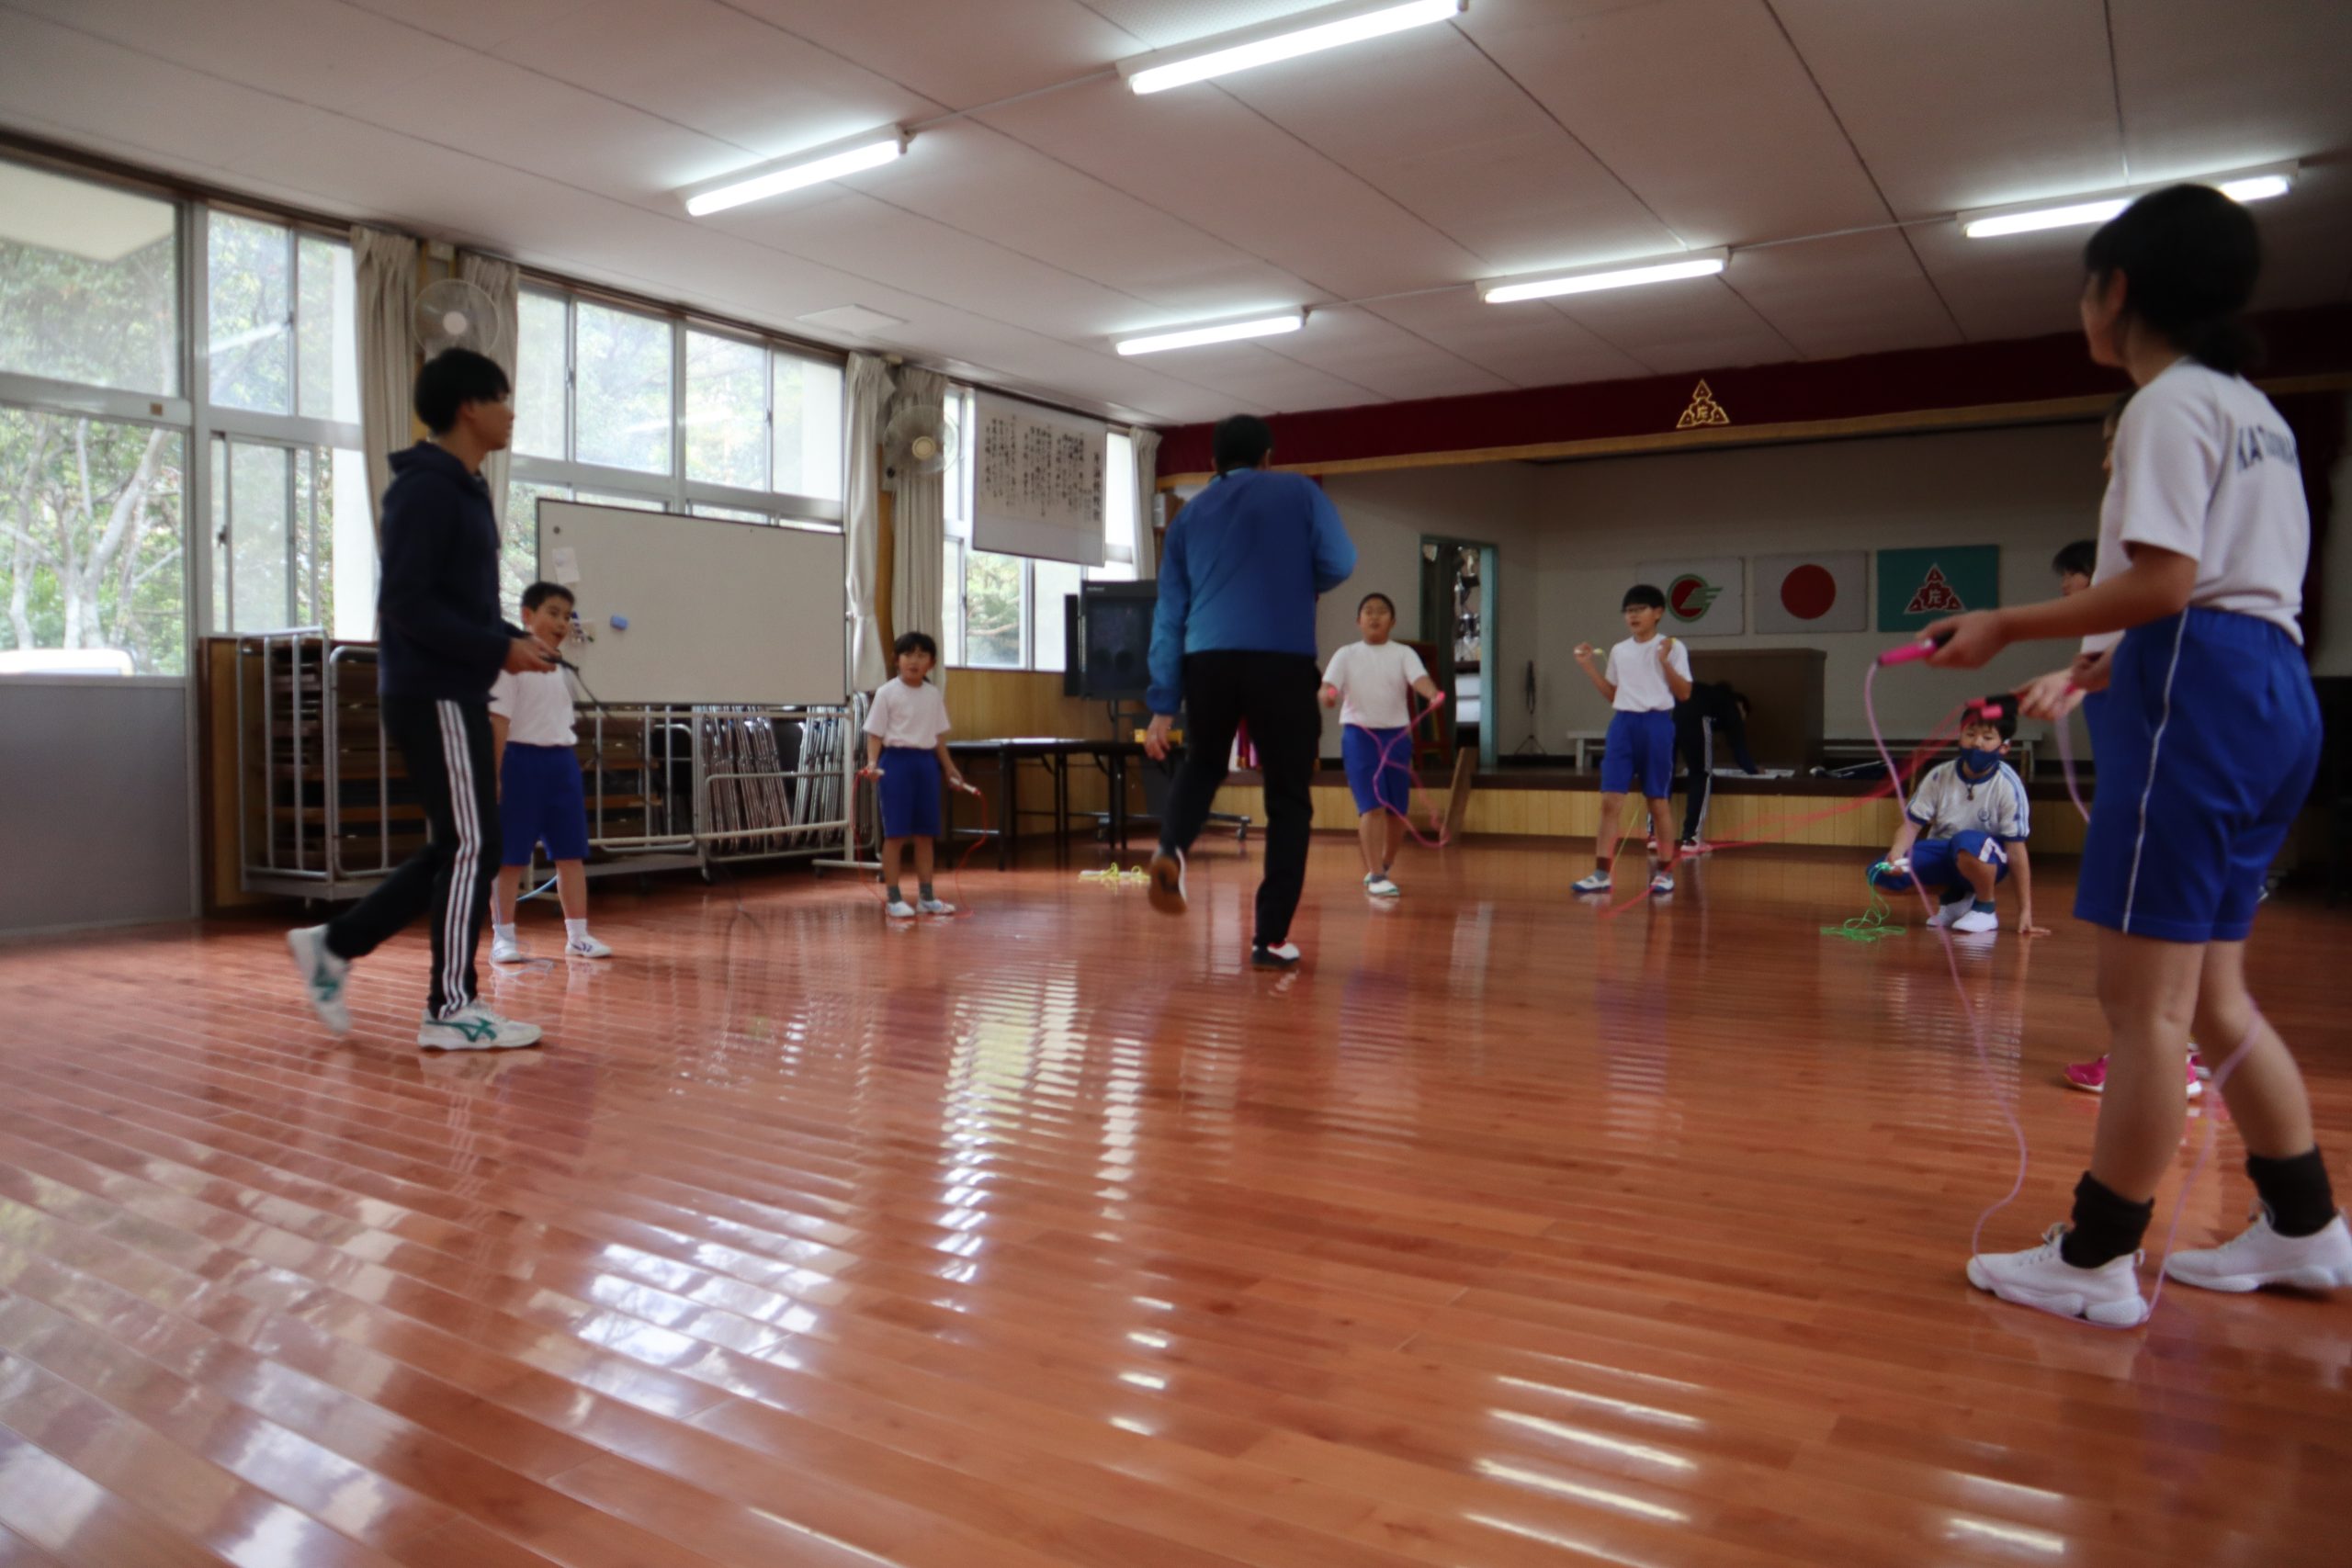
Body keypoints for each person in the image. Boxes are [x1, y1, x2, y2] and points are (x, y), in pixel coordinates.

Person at [1928, 185, 2348, 1324]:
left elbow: (2165, 585)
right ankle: (2304, 1225)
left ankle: (2096, 1256)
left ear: (2115, 291)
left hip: (2197, 699)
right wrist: (2090, 669)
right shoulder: (2257, 411)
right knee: (2211, 996)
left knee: (2144, 1007)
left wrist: (2005, 624)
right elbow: (2223, 592)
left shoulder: (2163, 404)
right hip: (2268, 690)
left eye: (2085, 287)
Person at [285, 349, 554, 1051]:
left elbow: (456, 601)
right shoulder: (426, 490)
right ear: (469, 406)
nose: (512, 413)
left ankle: (335, 943)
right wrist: (496, 648)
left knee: (458, 845)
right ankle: (451, 1007)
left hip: (450, 688)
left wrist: (508, 638)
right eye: (502, 399)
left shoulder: (465, 488)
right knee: (474, 843)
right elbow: (406, 603)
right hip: (432, 692)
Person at [1144, 414, 1357, 969]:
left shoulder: (1188, 517)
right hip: (1281, 661)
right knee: (1288, 797)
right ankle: (1270, 938)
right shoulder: (1298, 492)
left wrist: (1162, 704)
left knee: (1204, 765)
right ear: (1267, 457)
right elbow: (1341, 562)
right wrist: (1296, 576)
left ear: (1213, 464)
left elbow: (1168, 614)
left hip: (1207, 660)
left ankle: (1170, 848)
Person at [487, 581, 613, 964]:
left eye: (567, 616)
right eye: (553, 613)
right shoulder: (509, 664)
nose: (561, 623)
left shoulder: (563, 669)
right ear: (527, 615)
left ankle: (578, 936)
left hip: (561, 763)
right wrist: (494, 773)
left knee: (571, 853)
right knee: (510, 857)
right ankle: (503, 937)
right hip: (519, 762)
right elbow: (498, 721)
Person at [1868, 695, 2050, 940]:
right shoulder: (1939, 775)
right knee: (1878, 875)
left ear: (2004, 747)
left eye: (1987, 738)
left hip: (1987, 855)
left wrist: (2025, 911)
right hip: (1946, 851)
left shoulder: (2008, 785)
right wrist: (1896, 854)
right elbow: (1911, 824)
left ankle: (1985, 908)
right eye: (1970, 734)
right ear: (1960, 736)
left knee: (1965, 842)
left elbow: (2016, 850)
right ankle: (1955, 899)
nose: (1976, 743)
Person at [1320, 592, 1443, 898]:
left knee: (1396, 810)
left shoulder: (1403, 653)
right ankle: (1376, 874)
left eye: (1382, 611)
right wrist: (1329, 696)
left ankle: (1384, 866)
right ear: (1358, 621)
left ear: (1393, 621)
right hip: (1359, 736)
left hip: (1397, 737)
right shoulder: (1346, 654)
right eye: (1368, 611)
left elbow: (1420, 680)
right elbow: (1327, 687)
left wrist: (1432, 693)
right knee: (1371, 805)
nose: (1374, 616)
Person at [1571, 586, 1690, 897]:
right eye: (1628, 611)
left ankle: (1664, 872)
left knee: (1658, 801)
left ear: (1658, 612)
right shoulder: (1619, 650)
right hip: (1623, 724)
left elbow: (1684, 693)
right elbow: (1614, 695)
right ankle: (1601, 873)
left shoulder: (1672, 647)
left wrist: (1664, 661)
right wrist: (1588, 667)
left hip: (1657, 724)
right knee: (1610, 801)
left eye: (1639, 609)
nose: (1633, 615)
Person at [860, 631, 970, 919]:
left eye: (922, 655)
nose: (914, 660)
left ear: (931, 663)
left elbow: (938, 737)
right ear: (896, 660)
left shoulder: (933, 695)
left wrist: (949, 768)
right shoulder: (887, 692)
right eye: (908, 654)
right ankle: (894, 898)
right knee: (896, 834)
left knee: (925, 834)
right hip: (896, 764)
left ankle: (927, 896)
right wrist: (872, 763)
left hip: (926, 765)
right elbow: (875, 734)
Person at [1663, 680, 1758, 855]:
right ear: (1741, 707)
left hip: (1671, 716)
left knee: (1664, 772)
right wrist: (1753, 770)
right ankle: (1691, 838)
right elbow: (1738, 745)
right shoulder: (1731, 705)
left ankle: (1654, 835)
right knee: (1702, 774)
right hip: (1697, 719)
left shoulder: (1709, 694)